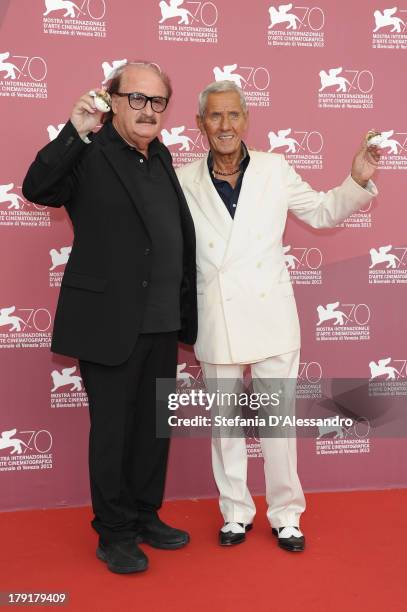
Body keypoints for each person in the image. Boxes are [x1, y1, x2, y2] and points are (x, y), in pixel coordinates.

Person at [176, 80, 380, 552]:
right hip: (215, 315)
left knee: (278, 423)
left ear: (246, 120)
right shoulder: (182, 178)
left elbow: (324, 212)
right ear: (200, 124)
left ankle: (286, 514)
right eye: (214, 116)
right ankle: (234, 512)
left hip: (271, 317)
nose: (225, 126)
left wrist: (357, 179)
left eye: (233, 115)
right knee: (225, 423)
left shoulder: (274, 168)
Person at [23, 62, 197, 574]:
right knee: (114, 433)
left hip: (165, 320)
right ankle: (114, 532)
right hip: (109, 321)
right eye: (137, 99)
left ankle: (145, 516)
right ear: (113, 101)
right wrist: (74, 129)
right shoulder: (88, 150)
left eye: (158, 101)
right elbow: (37, 188)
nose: (148, 110)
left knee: (152, 431)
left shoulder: (161, 155)